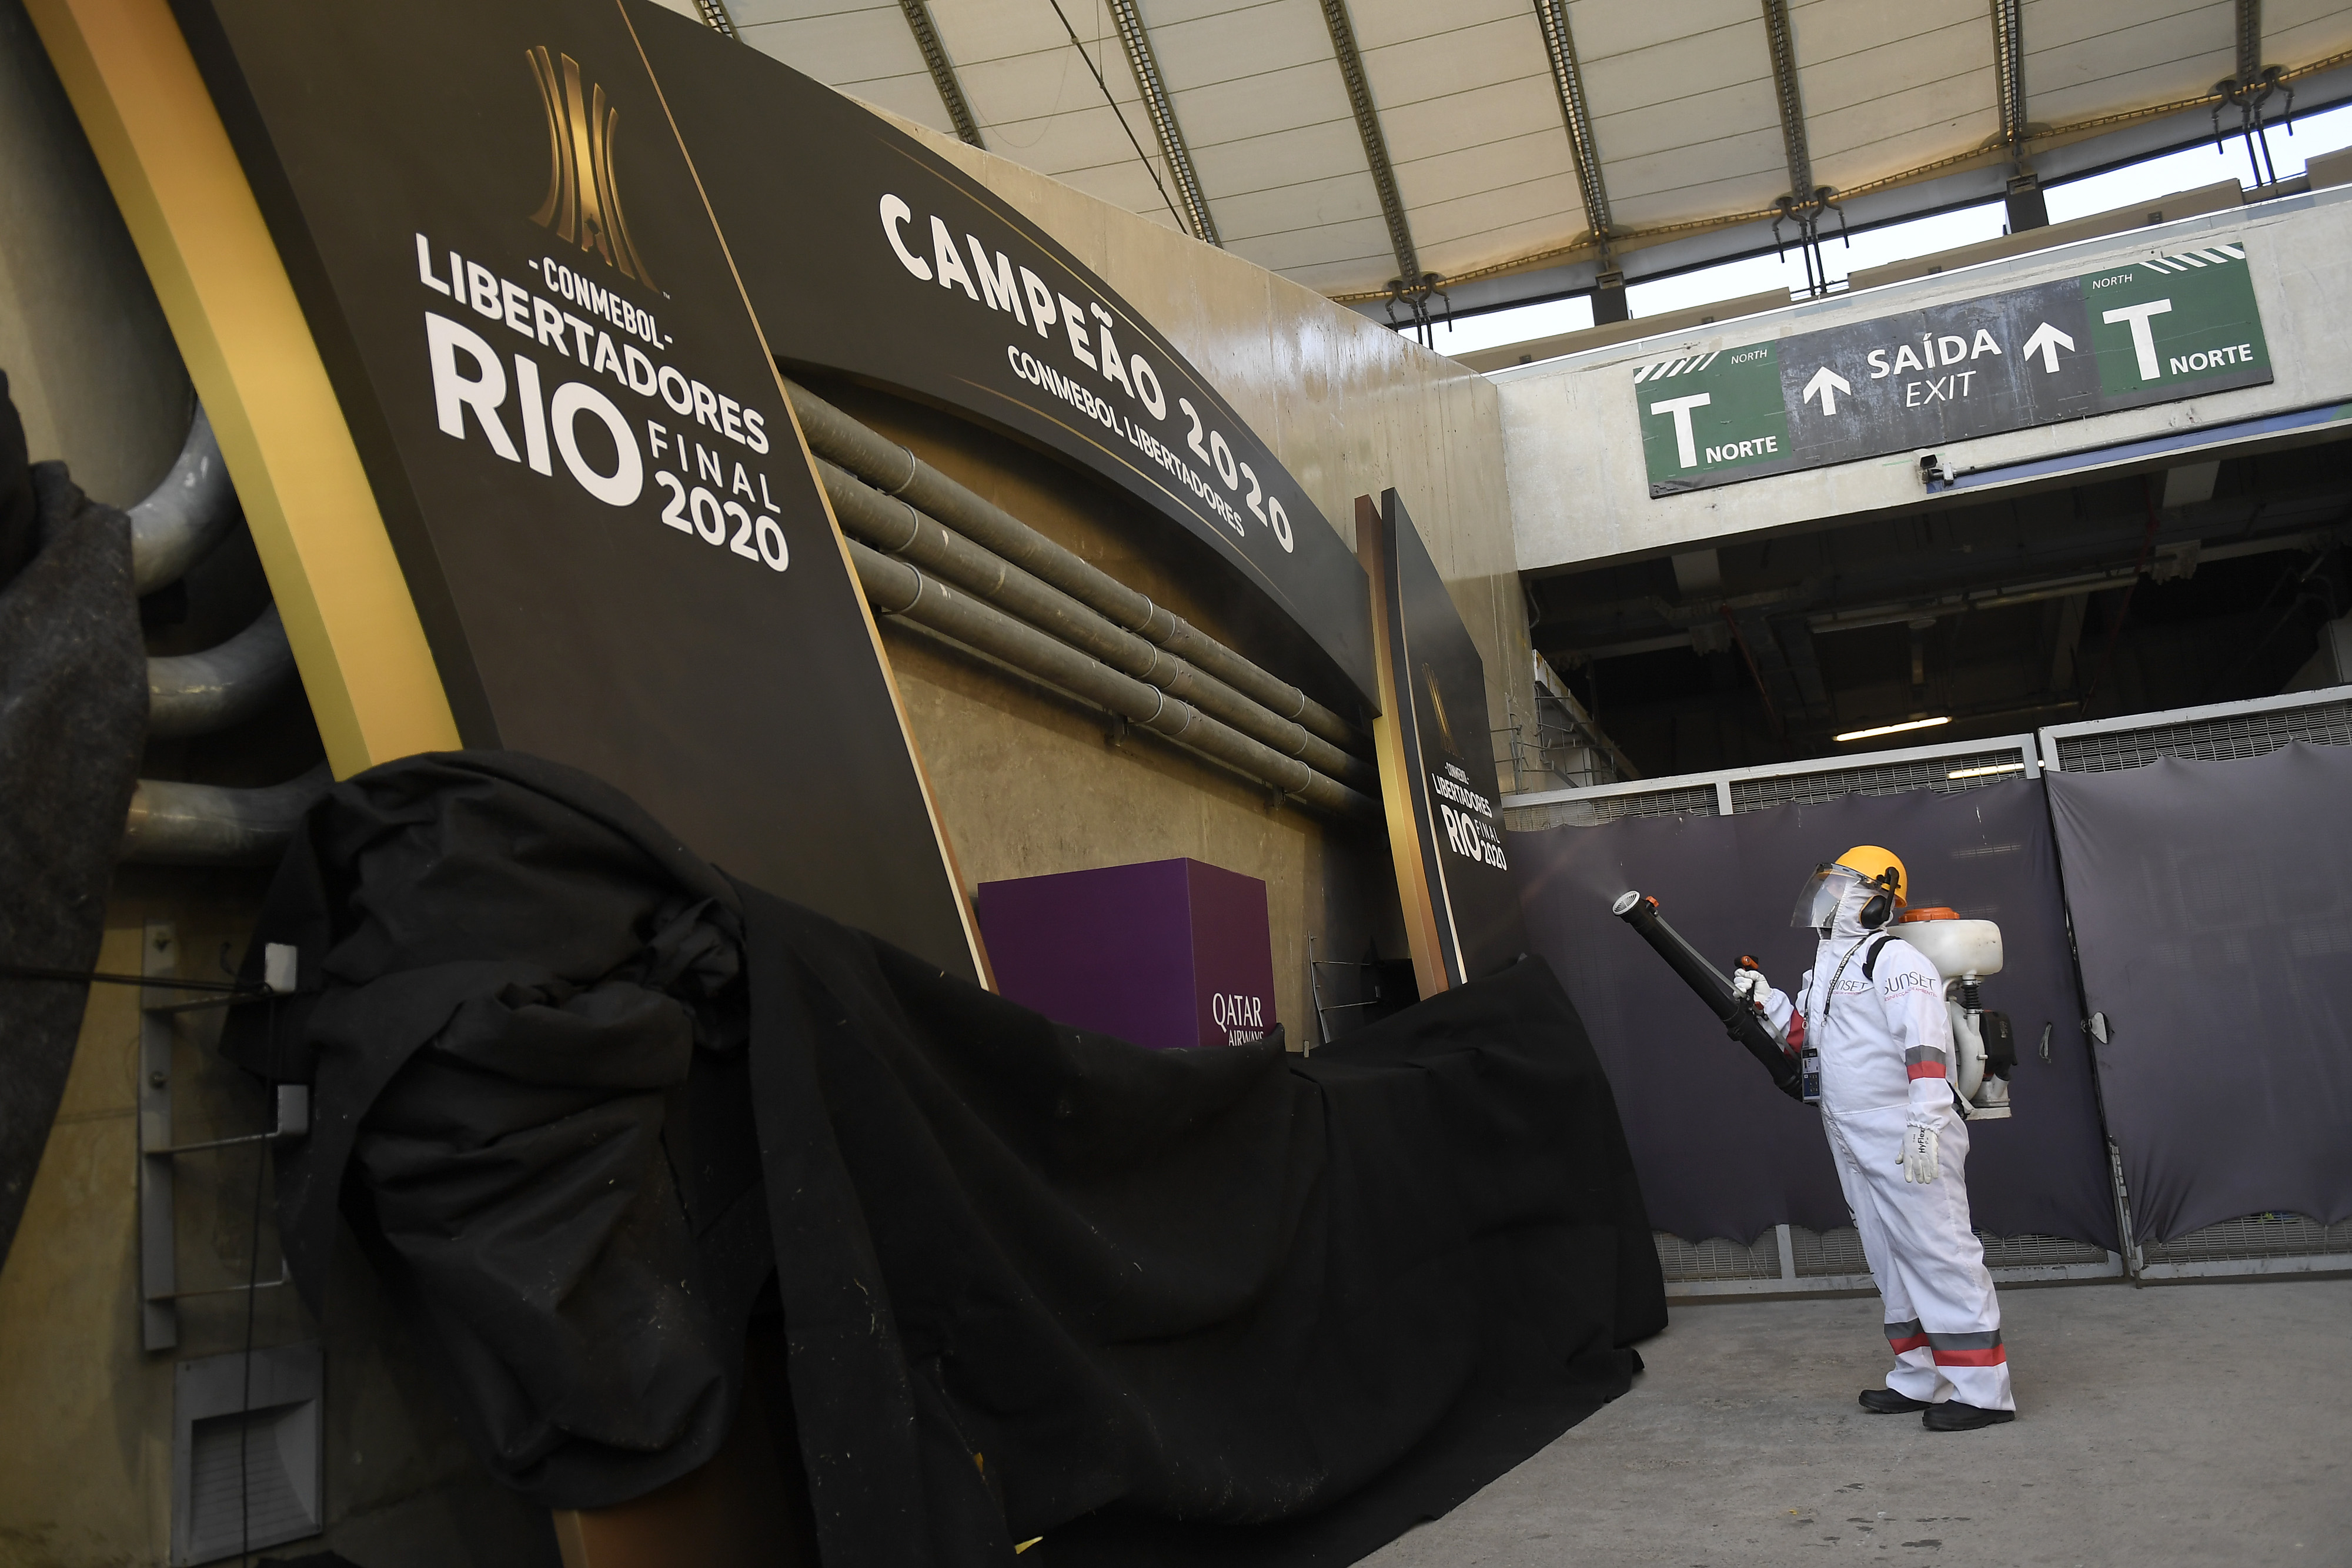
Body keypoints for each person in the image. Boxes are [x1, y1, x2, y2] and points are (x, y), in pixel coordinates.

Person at [1732, 847, 2016, 1432]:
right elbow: (1807, 1037)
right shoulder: (1826, 971)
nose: (1828, 901)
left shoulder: (1895, 961)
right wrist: (1766, 1000)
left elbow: (1926, 1044)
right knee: (1889, 1259)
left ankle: (1983, 1392)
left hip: (1904, 1129)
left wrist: (1926, 1121)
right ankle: (1920, 1375)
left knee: (1940, 1255)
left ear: (1877, 901)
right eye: (1828, 886)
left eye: (1842, 889)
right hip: (1850, 1132)